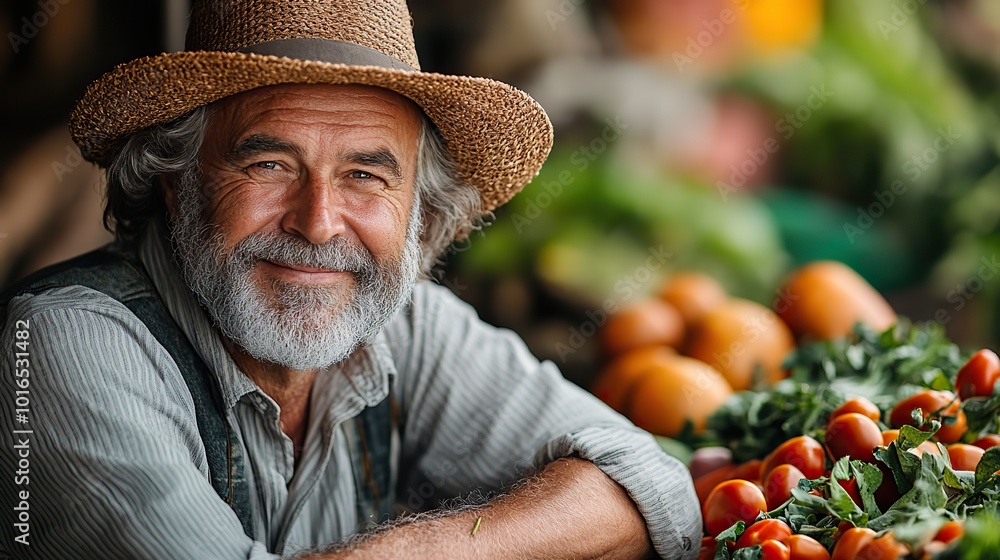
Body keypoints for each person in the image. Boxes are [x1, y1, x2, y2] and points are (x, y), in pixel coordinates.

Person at [0, 0, 701, 558]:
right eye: (269, 165)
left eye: (365, 175)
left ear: (418, 214)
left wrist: (426, 550)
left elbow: (652, 487)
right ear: (178, 184)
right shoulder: (64, 343)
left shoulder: (405, 324)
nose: (319, 223)